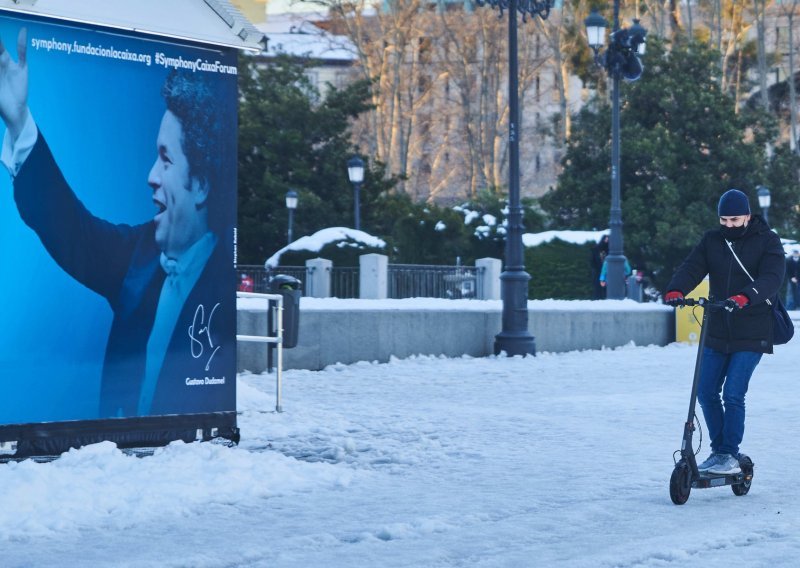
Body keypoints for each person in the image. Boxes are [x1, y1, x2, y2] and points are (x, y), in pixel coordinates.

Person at [0, 28, 235, 418]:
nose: (151, 176)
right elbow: (67, 224)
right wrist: (20, 122)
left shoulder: (223, 283)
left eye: (166, 159)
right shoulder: (137, 258)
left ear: (202, 186)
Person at [664, 189, 785, 475]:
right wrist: (676, 288)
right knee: (706, 391)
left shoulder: (768, 240)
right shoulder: (712, 240)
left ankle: (728, 453)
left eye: (734, 219)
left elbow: (772, 278)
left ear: (747, 215)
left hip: (753, 328)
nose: (728, 225)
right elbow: (693, 266)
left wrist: (746, 296)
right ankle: (720, 452)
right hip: (719, 327)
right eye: (724, 220)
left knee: (733, 393)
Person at [590, 235, 609, 299]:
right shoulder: (596, 249)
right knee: (598, 286)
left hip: (606, 272)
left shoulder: (609, 250)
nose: (606, 241)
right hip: (598, 271)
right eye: (605, 240)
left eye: (607, 240)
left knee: (605, 287)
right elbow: (592, 261)